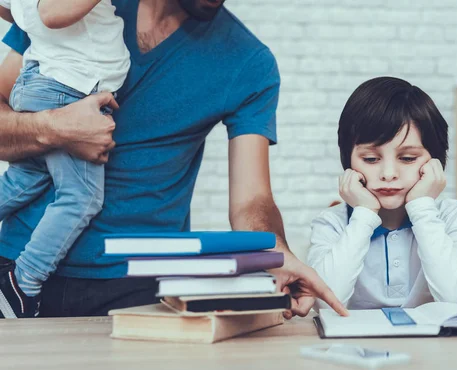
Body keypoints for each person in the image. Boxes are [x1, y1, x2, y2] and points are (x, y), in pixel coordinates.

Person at [0, 0, 347, 319]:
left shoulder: (248, 62)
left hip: (136, 288)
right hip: (15, 265)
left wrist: (276, 254)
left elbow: (252, 200)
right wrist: (53, 128)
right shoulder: (81, 7)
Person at [307, 77, 457, 310]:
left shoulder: (452, 216)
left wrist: (422, 207)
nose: (388, 174)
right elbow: (325, 303)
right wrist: (363, 214)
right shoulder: (332, 223)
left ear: (435, 163)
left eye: (407, 158)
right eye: (371, 159)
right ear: (348, 160)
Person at [0, 0, 129, 318]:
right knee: (82, 197)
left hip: (40, 80)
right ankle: (23, 283)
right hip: (68, 88)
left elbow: (13, 11)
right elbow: (51, 14)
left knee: (27, 177)